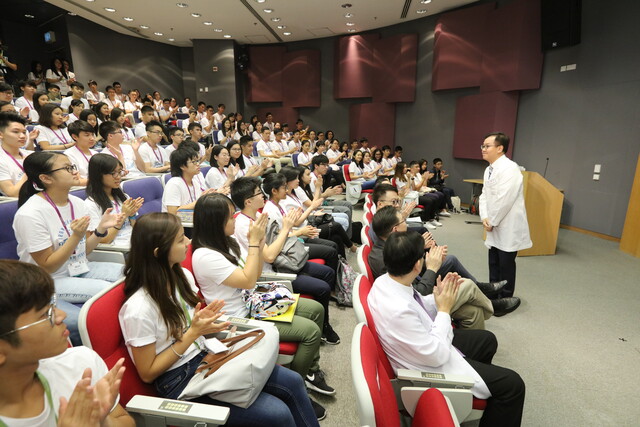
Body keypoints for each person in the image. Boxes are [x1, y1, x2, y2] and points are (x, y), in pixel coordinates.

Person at [119, 212, 319, 426]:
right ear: (159, 253)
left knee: (294, 382)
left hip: (205, 354)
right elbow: (148, 373)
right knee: (278, 414)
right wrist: (193, 333)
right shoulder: (138, 309)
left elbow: (189, 326)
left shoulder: (181, 277)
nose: (188, 242)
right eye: (180, 239)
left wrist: (203, 325)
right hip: (179, 379)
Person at [191, 192, 331, 417]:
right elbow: (247, 279)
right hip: (238, 319)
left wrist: (260, 240)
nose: (234, 221)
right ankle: (299, 387)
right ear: (215, 222)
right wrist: (254, 243)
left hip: (252, 301)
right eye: (229, 218)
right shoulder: (205, 255)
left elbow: (253, 277)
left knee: (316, 309)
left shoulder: (226, 243)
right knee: (311, 332)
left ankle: (310, 372)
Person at [368, 231, 525, 427]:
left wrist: (438, 297)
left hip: (424, 344)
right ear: (419, 265)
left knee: (487, 340)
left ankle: (474, 398)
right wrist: (444, 309)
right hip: (426, 367)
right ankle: (475, 389)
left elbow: (417, 305)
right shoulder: (399, 310)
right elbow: (436, 355)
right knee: (513, 385)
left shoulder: (385, 281)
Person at [0, 260, 135, 426]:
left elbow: (126, 422)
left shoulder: (80, 364)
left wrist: (101, 420)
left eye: (53, 305)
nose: (62, 315)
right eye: (45, 314)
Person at [13, 152, 124, 345]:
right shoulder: (30, 214)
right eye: (67, 168)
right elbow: (48, 266)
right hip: (47, 280)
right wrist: (76, 236)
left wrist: (99, 231)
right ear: (46, 178)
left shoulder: (77, 203)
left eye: (73, 166)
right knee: (108, 291)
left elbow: (84, 251)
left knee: (130, 272)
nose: (75, 171)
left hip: (80, 267)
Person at [370, 206, 522, 326]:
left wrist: (426, 256)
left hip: (418, 289)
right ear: (395, 229)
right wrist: (431, 267)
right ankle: (492, 305)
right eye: (403, 221)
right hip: (419, 302)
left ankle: (483, 297)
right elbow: (418, 293)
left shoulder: (389, 246)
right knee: (466, 285)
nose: (406, 223)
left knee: (473, 311)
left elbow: (409, 274)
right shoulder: (383, 258)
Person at [259, 173, 341, 343]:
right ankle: (324, 327)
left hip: (291, 249)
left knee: (327, 272)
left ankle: (331, 301)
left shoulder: (277, 206)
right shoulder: (268, 213)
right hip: (282, 263)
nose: (287, 189)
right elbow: (274, 249)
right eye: (283, 187)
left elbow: (289, 230)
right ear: (274, 191)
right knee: (323, 286)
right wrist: (298, 232)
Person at [479, 132, 532, 299]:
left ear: (500, 148)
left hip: (507, 224)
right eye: (483, 146)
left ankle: (506, 297)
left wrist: (492, 220)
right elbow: (484, 195)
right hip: (493, 222)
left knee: (506, 263)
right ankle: (493, 293)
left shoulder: (510, 169)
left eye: (487, 146)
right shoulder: (489, 169)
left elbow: (505, 199)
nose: (483, 149)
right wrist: (485, 217)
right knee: (493, 261)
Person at [281, 166, 358, 257]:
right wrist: (318, 190)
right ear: (287, 181)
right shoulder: (292, 194)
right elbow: (305, 214)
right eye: (296, 178)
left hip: (309, 221)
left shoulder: (293, 193)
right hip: (304, 229)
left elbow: (312, 205)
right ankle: (351, 246)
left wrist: (312, 211)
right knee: (337, 225)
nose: (298, 180)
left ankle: (344, 265)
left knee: (336, 237)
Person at [85, 153, 143, 246]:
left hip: (134, 242)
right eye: (113, 173)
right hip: (118, 249)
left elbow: (133, 228)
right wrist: (123, 216)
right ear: (98, 175)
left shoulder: (123, 197)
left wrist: (131, 215)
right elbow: (103, 240)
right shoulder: (91, 204)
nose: (118, 177)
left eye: (120, 172)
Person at [162, 147, 215, 214]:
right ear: (182, 166)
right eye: (194, 162)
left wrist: (205, 196)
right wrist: (201, 200)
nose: (198, 164)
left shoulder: (194, 182)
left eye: (198, 161)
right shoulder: (174, 184)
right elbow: (172, 213)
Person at [0, 112, 33, 197]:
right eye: (16, 132)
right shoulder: (1, 160)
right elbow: (13, 193)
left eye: (24, 132)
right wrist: (31, 170)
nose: (22, 136)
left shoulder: (31, 155)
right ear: (1, 134)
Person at [64, 120, 99, 185]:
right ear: (75, 137)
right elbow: (77, 181)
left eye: (92, 135)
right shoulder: (68, 155)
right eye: (87, 135)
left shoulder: (96, 153)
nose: (92, 138)